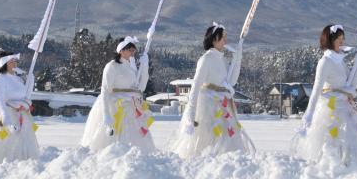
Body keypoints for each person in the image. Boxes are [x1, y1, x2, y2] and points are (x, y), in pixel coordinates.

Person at [292, 24, 357, 170]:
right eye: (339, 38)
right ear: (330, 40)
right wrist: (308, 115)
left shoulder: (340, 61)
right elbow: (316, 89)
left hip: (345, 109)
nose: (342, 41)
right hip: (330, 110)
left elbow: (351, 85)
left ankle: (349, 170)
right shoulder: (325, 62)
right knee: (330, 143)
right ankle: (328, 171)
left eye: (343, 38)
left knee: (348, 144)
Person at [172, 22, 252, 158]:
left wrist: (237, 58)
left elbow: (231, 82)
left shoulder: (223, 60)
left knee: (226, 139)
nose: (226, 40)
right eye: (223, 37)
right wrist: (191, 114)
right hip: (207, 106)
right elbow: (196, 86)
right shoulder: (206, 59)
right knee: (208, 139)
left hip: (223, 105)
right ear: (214, 39)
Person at [81, 36, 154, 152]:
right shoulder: (112, 67)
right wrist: (106, 115)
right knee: (114, 139)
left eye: (133, 51)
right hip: (115, 107)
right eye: (130, 50)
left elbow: (140, 89)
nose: (132, 53)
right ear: (121, 50)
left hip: (131, 107)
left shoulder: (131, 67)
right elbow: (105, 91)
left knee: (136, 138)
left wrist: (145, 68)